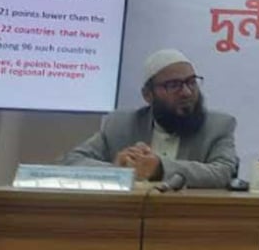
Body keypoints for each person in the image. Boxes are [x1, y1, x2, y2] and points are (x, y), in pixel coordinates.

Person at [61, 49, 237, 188]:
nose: (186, 92)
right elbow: (71, 161)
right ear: (148, 95)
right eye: (173, 85)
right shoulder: (121, 124)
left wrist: (159, 168)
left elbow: (225, 172)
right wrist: (119, 171)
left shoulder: (218, 126)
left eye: (191, 82)